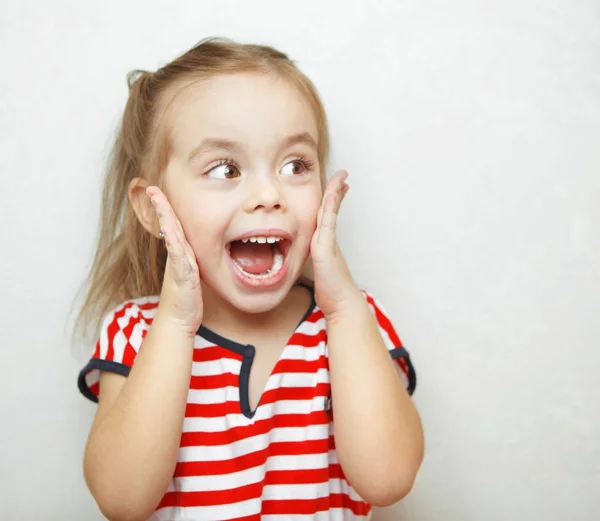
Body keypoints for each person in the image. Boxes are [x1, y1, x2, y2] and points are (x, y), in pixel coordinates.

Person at [75, 36, 424, 521]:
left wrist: (344, 310)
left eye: (295, 165)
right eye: (226, 168)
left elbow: (388, 481)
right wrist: (176, 323)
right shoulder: (134, 333)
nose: (268, 194)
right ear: (152, 209)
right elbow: (121, 499)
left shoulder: (353, 324)